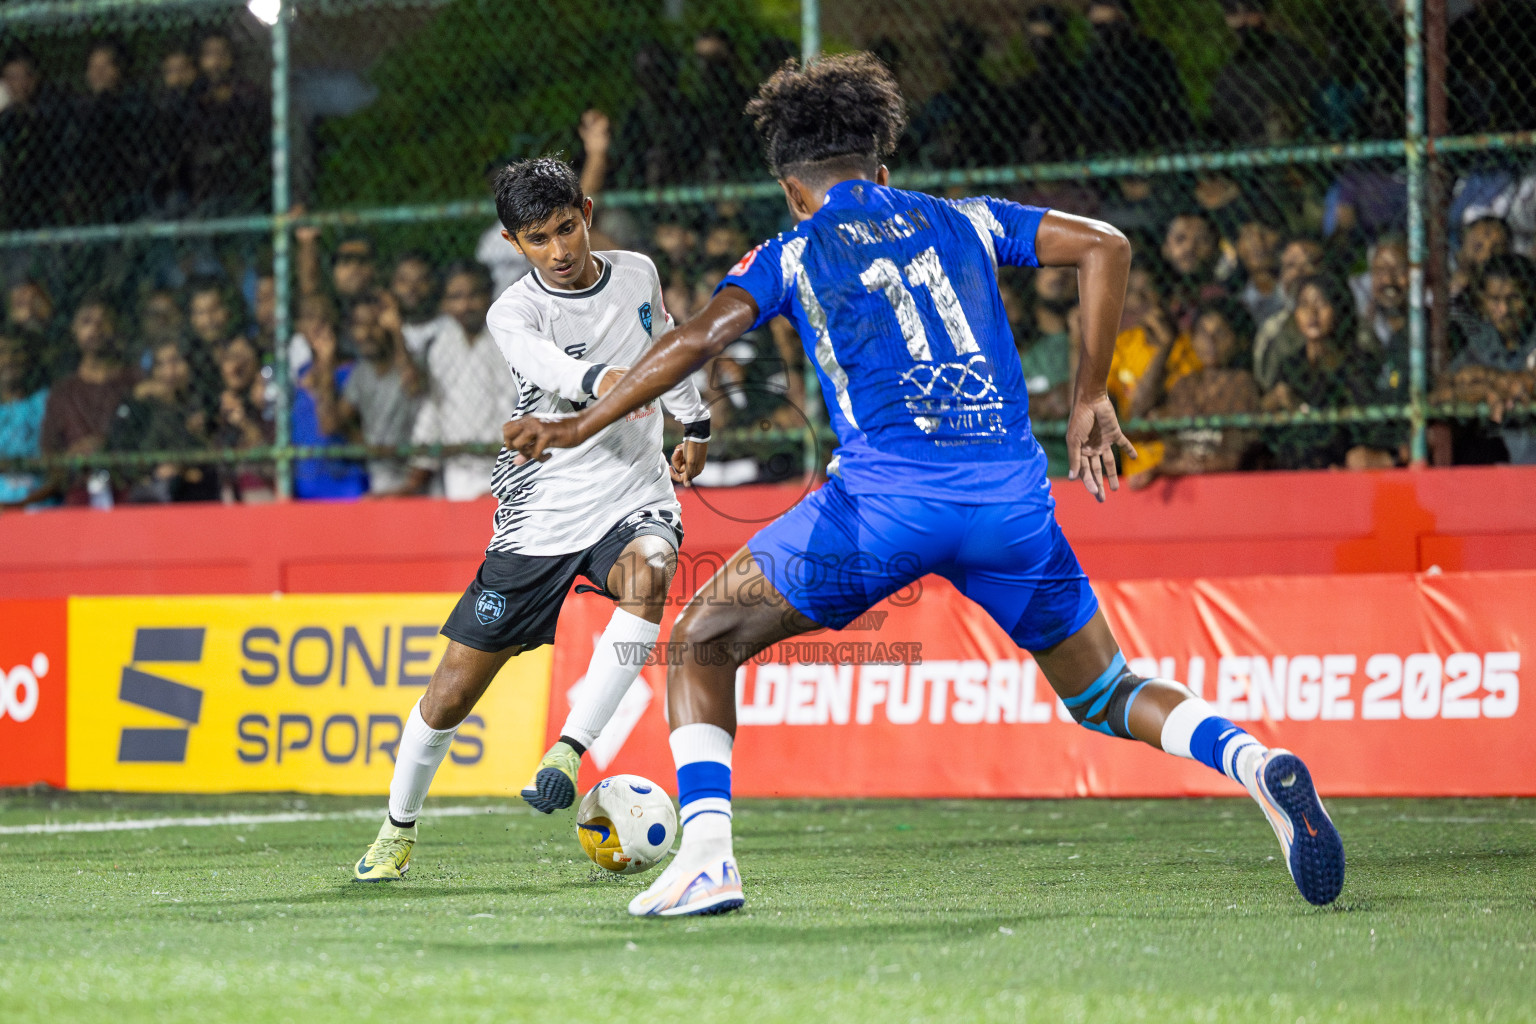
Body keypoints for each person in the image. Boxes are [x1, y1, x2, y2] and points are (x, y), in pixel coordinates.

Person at [505, 53, 1346, 917]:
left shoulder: (793, 248)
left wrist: (578, 424)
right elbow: (1106, 246)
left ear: (793, 189)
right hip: (1012, 505)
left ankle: (709, 861)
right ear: (883, 168)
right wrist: (1091, 394)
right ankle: (1252, 762)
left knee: (706, 636)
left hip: (883, 508)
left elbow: (697, 341)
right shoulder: (968, 219)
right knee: (1106, 690)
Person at [350, 157, 713, 881]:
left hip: (630, 491)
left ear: (586, 210)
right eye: (539, 238)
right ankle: (397, 828)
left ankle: (569, 750)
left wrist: (693, 420)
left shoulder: (637, 271)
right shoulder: (512, 311)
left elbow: (668, 341)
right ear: (513, 242)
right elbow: (548, 367)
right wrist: (605, 383)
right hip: (540, 514)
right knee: (451, 692)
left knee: (653, 569)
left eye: (567, 228)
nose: (561, 249)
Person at [393, 263, 513, 500]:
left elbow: (513, 406)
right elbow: (433, 410)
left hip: (507, 466)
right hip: (456, 471)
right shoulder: (442, 345)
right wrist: (416, 475)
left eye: (473, 295)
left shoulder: (507, 340)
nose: (464, 305)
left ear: (489, 295)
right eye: (455, 297)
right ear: (445, 304)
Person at [1262, 274, 1399, 470]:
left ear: (1339, 309)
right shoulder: (1290, 365)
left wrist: (1300, 409)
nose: (1312, 313)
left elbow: (1362, 430)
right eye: (1303, 305)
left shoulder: (1359, 363)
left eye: (1321, 303)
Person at [309, 291, 422, 495]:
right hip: (381, 478)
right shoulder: (361, 373)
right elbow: (329, 424)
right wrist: (325, 363)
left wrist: (397, 333)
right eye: (360, 325)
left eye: (375, 324)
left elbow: (412, 385)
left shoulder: (411, 363)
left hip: (420, 473)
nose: (367, 333)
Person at [1140, 298, 1263, 482]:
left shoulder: (1242, 384)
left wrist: (1173, 468)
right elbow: (1164, 443)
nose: (1210, 341)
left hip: (1227, 485)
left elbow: (1234, 459)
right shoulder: (1184, 386)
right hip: (1185, 485)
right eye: (1203, 333)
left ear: (1237, 339)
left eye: (1220, 333)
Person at [1436, 254, 1536, 464]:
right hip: (1494, 470)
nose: (1504, 310)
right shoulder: (1482, 342)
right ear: (1483, 302)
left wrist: (1484, 376)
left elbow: (1529, 384)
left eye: (1514, 298)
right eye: (1495, 300)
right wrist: (1481, 391)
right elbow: (1441, 394)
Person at [40, 297, 139, 505]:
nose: (95, 329)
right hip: (79, 490)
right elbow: (49, 451)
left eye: (103, 321)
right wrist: (74, 455)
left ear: (116, 328)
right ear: (74, 330)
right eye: (86, 322)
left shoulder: (134, 381)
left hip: (129, 489)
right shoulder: (62, 391)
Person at [107, 339, 218, 503]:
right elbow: (120, 447)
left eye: (175, 361)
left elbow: (211, 453)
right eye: (160, 365)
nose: (169, 372)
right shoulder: (140, 407)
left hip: (196, 490)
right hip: (151, 489)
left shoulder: (204, 403)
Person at [1076, 0, 1192, 155]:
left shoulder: (1150, 52)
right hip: (1103, 138)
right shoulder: (1094, 61)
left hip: (1145, 131)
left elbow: (1172, 99)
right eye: (1098, 27)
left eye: (1111, 25)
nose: (1104, 34)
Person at [1205, 0, 1325, 147]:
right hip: (1247, 161)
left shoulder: (1295, 58)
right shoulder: (1229, 75)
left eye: (1250, 8)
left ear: (1263, 12)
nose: (1243, 20)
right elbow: (1219, 131)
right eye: (1232, 10)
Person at [0, 336, 49, 507]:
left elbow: (59, 469)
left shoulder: (47, 401)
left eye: (15, 352)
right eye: (2, 353)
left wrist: (17, 507)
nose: (8, 360)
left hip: (41, 506)